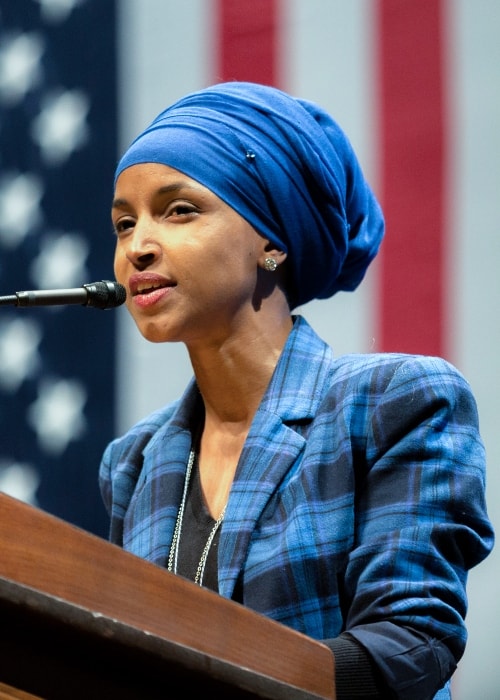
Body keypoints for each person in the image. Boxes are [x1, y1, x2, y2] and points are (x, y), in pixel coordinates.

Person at [99, 81, 494, 699]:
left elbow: (411, 645)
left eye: (178, 210)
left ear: (272, 241)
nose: (138, 247)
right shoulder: (133, 462)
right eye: (124, 223)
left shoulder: (398, 401)